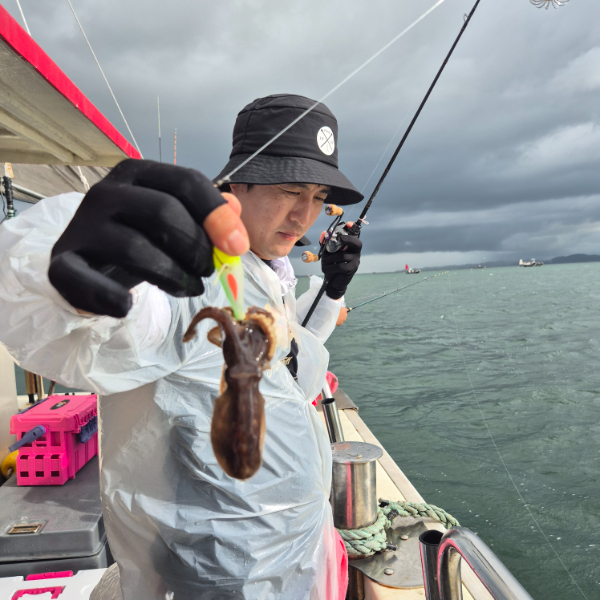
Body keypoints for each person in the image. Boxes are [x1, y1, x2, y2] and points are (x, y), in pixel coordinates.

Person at [0, 94, 363, 599]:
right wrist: (67, 278)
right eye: (290, 189)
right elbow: (122, 320)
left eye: (319, 195)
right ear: (238, 182)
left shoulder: (265, 272)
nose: (305, 215)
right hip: (217, 569)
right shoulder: (193, 275)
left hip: (293, 553)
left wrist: (334, 289)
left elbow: (284, 357)